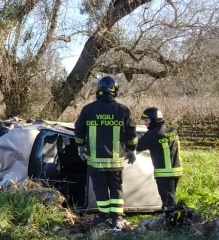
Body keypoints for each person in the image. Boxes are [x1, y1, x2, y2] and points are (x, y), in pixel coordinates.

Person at [74, 76, 138, 231]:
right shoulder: (122, 110)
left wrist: (80, 147)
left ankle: (103, 215)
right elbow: (131, 133)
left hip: (95, 161)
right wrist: (131, 150)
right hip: (115, 160)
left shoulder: (88, 109)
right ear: (114, 90)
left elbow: (79, 130)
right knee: (116, 187)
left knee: (100, 187)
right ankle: (117, 219)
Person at [136, 107, 183, 211]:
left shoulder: (153, 134)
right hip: (176, 170)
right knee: (171, 198)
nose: (145, 123)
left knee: (168, 202)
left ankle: (171, 224)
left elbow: (138, 146)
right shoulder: (172, 131)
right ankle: (170, 219)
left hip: (164, 173)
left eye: (146, 120)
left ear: (153, 119)